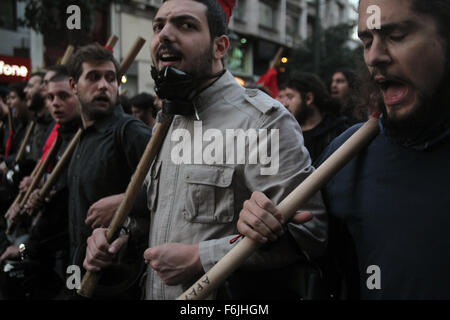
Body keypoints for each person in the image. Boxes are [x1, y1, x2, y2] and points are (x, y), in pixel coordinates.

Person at [83, 0, 327, 300]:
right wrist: (118, 236)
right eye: (158, 26)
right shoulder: (167, 121)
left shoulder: (261, 122)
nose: (164, 35)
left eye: (186, 25)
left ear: (220, 46)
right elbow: (162, 216)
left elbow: (311, 232)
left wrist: (202, 257)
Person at [238, 0, 450, 300]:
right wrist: (268, 230)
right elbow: (317, 257)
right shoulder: (347, 155)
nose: (374, 56)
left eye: (396, 36)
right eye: (366, 41)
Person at [66, 43, 151, 299]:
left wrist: (127, 202)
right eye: (93, 77)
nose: (104, 85)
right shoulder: (82, 137)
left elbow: (174, 187)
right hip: (83, 276)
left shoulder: (130, 131)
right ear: (73, 85)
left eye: (111, 78)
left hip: (121, 281)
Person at [0, 69, 81, 299]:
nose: (55, 103)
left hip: (70, 251)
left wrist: (26, 249)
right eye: (50, 97)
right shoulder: (59, 135)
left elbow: (64, 202)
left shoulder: (85, 137)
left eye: (63, 96)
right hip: (51, 242)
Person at [280, 72, 352, 163]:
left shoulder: (339, 132)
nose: (284, 104)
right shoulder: (285, 135)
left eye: (290, 97)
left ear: (308, 98)